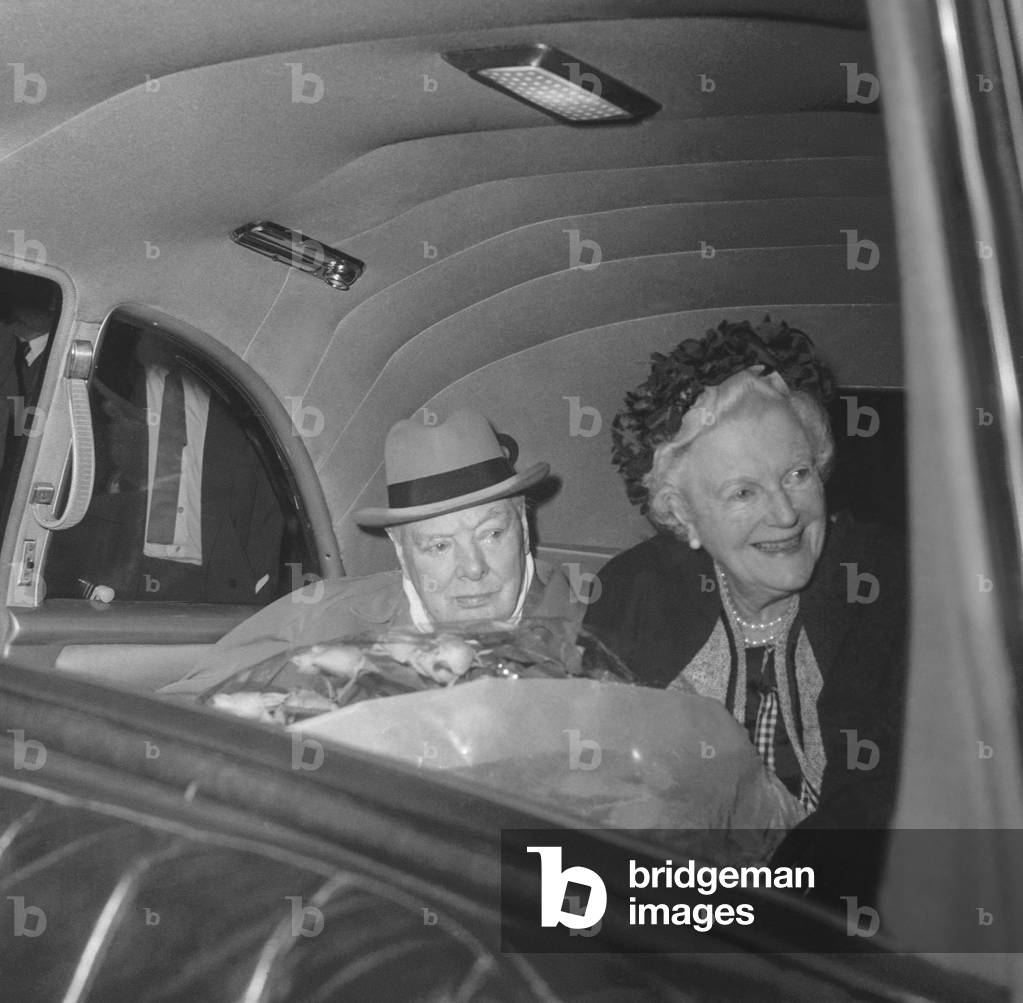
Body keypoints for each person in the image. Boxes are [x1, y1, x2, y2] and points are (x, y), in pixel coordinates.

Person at [584, 318, 907, 843]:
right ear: (682, 515)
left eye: (797, 475)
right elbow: (600, 793)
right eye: (742, 493)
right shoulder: (632, 594)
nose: (785, 514)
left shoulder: (891, 590)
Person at [160, 408, 582, 697]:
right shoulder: (324, 618)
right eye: (439, 545)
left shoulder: (591, 636)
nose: (472, 568)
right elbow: (185, 717)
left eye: (491, 534)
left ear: (522, 523)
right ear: (400, 549)